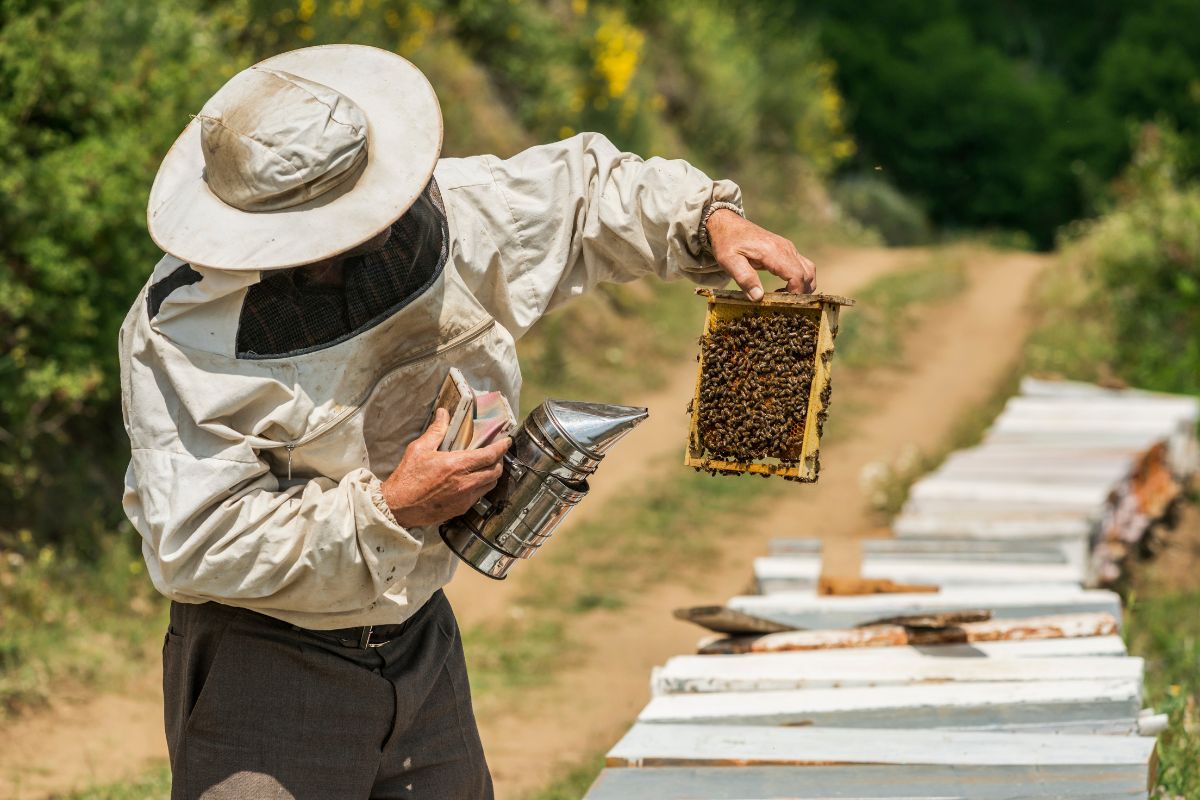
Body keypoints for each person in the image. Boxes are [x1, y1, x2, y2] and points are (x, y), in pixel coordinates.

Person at [119, 44, 816, 800]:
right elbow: (195, 541)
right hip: (267, 664)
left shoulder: (446, 214)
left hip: (420, 639)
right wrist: (388, 508)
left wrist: (704, 219)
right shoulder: (180, 332)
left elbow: (582, 196)